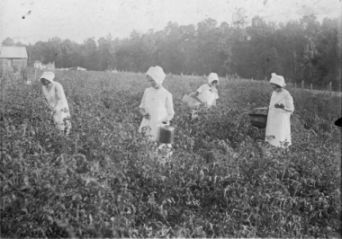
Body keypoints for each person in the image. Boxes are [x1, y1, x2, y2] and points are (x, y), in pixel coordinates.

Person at [138, 66, 174, 143]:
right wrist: (144, 114)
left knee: (159, 148)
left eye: (153, 80)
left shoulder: (167, 94)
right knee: (145, 145)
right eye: (149, 81)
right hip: (147, 124)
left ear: (159, 79)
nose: (151, 83)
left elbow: (171, 113)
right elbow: (141, 107)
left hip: (159, 126)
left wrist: (164, 123)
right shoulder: (147, 91)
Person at [265, 73, 294, 148]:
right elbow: (271, 105)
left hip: (281, 120)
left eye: (275, 87)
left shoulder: (286, 94)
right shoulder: (274, 93)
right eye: (272, 87)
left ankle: (281, 151)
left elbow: (291, 108)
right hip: (272, 119)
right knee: (271, 137)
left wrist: (283, 107)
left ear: (279, 86)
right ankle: (271, 149)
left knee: (280, 136)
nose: (273, 89)